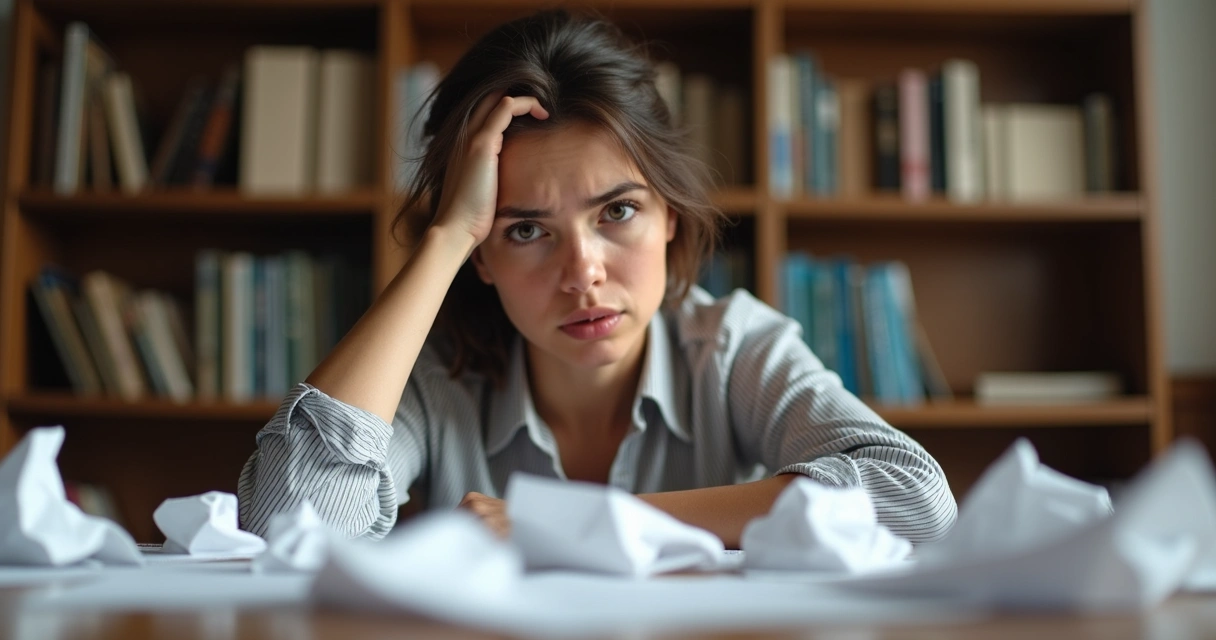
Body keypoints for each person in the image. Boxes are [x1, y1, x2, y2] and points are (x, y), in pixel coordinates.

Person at [237, 9, 956, 548]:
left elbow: (913, 499)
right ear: (481, 257)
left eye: (617, 211)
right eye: (525, 230)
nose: (583, 273)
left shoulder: (732, 347)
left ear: (669, 214)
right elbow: (286, 529)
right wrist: (446, 237)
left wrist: (579, 522)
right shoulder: (435, 378)